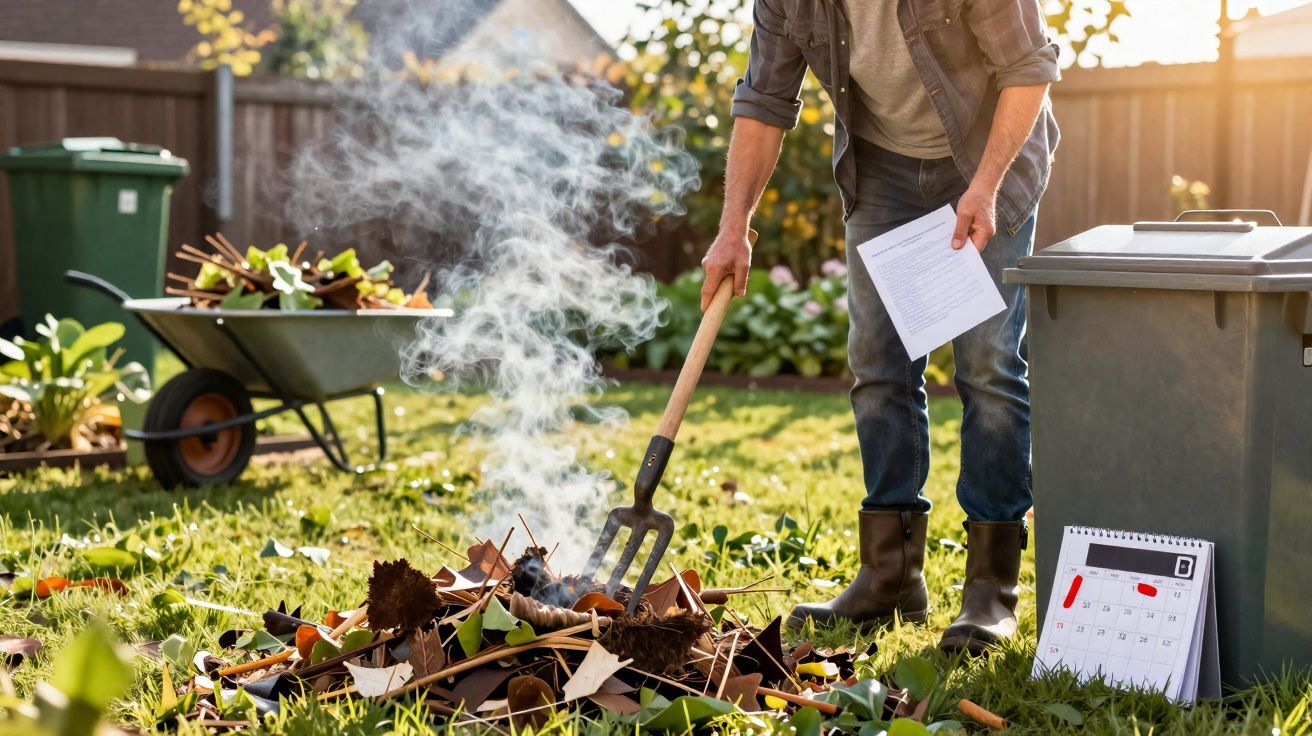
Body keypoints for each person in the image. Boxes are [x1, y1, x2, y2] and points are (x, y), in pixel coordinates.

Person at [700, 0, 1060, 653]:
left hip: (987, 156)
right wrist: (733, 227)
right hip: (883, 168)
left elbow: (1028, 69)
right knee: (877, 362)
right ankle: (890, 577)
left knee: (987, 363)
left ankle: (991, 591)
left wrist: (984, 188)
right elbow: (763, 103)